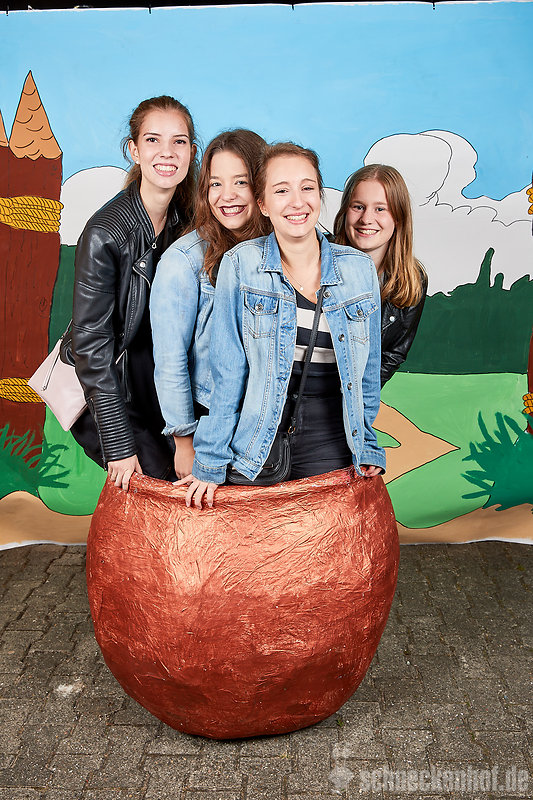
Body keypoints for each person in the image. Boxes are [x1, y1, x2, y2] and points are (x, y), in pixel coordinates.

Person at [178, 142, 385, 508]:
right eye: (282, 191)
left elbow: (367, 372)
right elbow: (227, 374)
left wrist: (366, 444)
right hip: (258, 439)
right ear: (262, 204)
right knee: (255, 542)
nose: (297, 202)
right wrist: (209, 461)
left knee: (323, 541)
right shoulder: (241, 264)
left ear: (320, 195)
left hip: (333, 442)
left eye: (307, 188)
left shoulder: (358, 269)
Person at [64, 95, 198, 490]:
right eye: (153, 140)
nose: (167, 152)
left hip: (159, 387)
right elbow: (91, 347)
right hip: (111, 391)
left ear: (191, 152)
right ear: (134, 151)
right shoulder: (105, 233)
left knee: (192, 487)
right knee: (158, 490)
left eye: (179, 141)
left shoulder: (186, 221)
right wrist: (119, 444)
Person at [150, 129, 270, 479]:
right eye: (215, 184)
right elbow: (170, 359)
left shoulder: (283, 248)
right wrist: (185, 441)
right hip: (210, 418)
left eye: (241, 182)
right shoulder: (184, 261)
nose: (226, 196)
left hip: (267, 418)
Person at [333, 165, 427, 386]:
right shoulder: (315, 258)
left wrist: (359, 398)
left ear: (399, 217)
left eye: (380, 209)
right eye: (358, 206)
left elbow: (394, 354)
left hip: (355, 397)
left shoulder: (413, 279)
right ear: (345, 211)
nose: (366, 219)